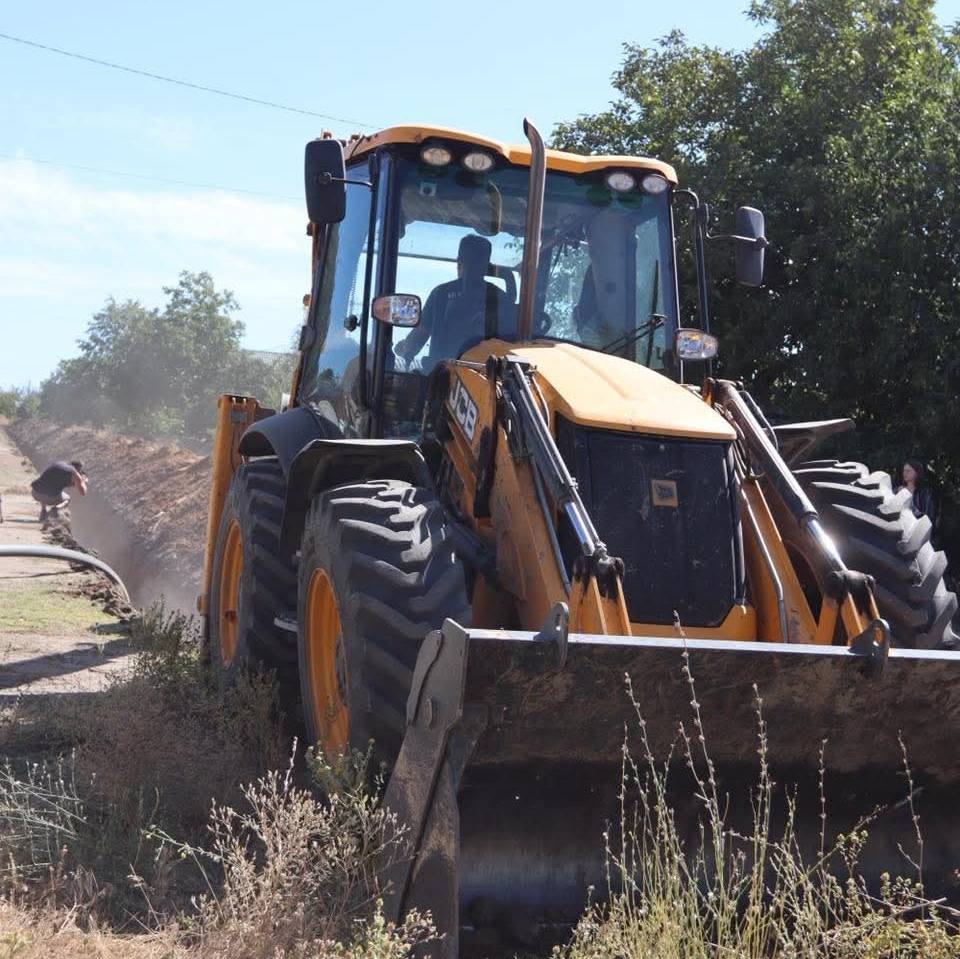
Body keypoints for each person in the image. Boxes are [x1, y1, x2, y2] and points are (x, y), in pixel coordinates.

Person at [394, 234, 515, 370]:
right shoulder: (501, 299)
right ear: (486, 265)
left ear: (459, 262)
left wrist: (404, 348)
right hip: (485, 378)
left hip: (440, 378)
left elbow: (418, 338)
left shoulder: (441, 294)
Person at [899, 458, 936, 524]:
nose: (905, 473)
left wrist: (909, 505)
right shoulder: (897, 490)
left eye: (908, 471)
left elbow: (928, 516)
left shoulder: (924, 493)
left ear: (917, 473)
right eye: (904, 470)